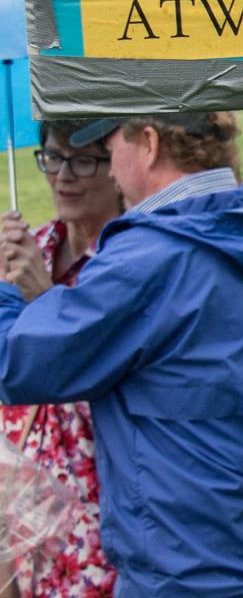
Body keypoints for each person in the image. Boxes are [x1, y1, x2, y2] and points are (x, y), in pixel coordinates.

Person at [0, 110, 243, 598]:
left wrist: (6, 288)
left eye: (111, 150)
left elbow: (17, 362)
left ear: (149, 143)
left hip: (185, 570)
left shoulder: (147, 258)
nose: (110, 170)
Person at [0, 119, 121, 597]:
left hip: (101, 514)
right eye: (52, 156)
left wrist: (45, 299)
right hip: (25, 508)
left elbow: (111, 384)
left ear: (120, 164)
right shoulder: (29, 251)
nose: (64, 175)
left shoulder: (126, 265)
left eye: (84, 159)